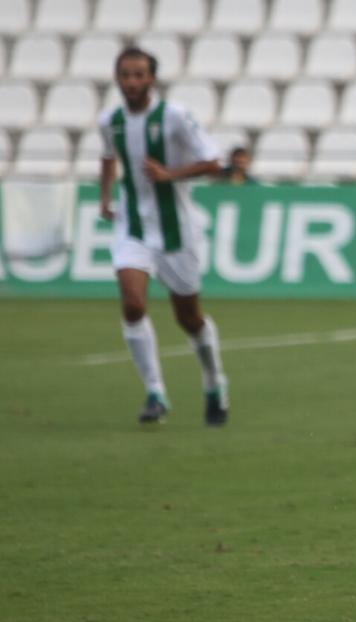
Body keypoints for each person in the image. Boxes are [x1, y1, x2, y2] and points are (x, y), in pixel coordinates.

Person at [99, 46, 228, 426]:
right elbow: (109, 155)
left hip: (176, 231)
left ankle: (214, 381)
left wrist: (171, 174)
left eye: (139, 74)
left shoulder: (174, 116)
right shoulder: (109, 120)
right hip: (133, 226)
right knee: (133, 303)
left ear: (152, 78)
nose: (133, 81)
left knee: (189, 318)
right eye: (126, 74)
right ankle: (156, 392)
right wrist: (106, 196)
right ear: (118, 78)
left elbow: (213, 161)